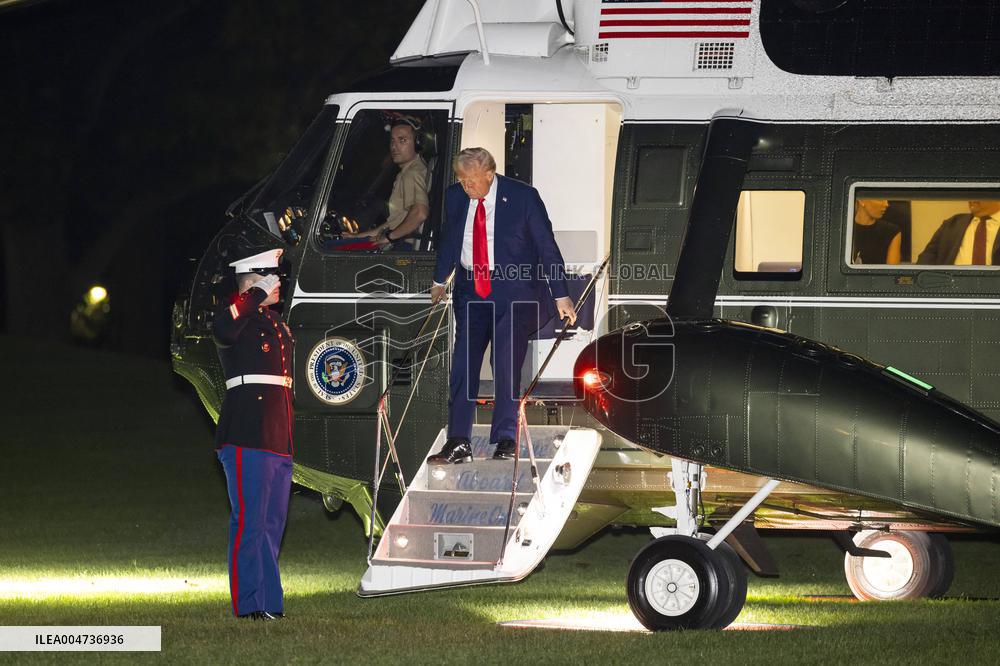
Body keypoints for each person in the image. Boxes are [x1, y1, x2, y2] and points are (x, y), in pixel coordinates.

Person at [427, 147, 576, 464]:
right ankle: (458, 441)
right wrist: (440, 281)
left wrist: (561, 294)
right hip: (471, 290)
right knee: (463, 365)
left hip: (514, 290)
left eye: (473, 182)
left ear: (489, 175)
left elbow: (547, 247)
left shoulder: (522, 197)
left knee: (505, 365)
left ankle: (506, 439)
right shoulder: (456, 197)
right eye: (462, 180)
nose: (468, 188)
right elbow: (450, 240)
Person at [212, 248, 295, 621]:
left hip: (277, 431)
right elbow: (224, 328)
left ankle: (269, 602)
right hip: (248, 430)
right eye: (271, 278)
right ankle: (249, 603)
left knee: (273, 520)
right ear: (255, 281)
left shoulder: (275, 323)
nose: (279, 285)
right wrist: (255, 293)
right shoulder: (236, 316)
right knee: (250, 519)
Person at [350, 119, 429, 250]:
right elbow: (394, 222)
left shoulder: (413, 173)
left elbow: (420, 213)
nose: (394, 146)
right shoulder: (411, 170)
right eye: (392, 141)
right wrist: (357, 237)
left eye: (402, 140)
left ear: (417, 143)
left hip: (403, 246)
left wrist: (389, 238)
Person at [916, 200, 1000, 265]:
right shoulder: (952, 223)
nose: (971, 199)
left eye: (979, 192)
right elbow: (925, 260)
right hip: (951, 285)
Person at [851, 198, 901, 264]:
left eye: (887, 199)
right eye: (880, 199)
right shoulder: (844, 229)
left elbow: (892, 273)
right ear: (862, 200)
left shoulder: (891, 231)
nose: (886, 204)